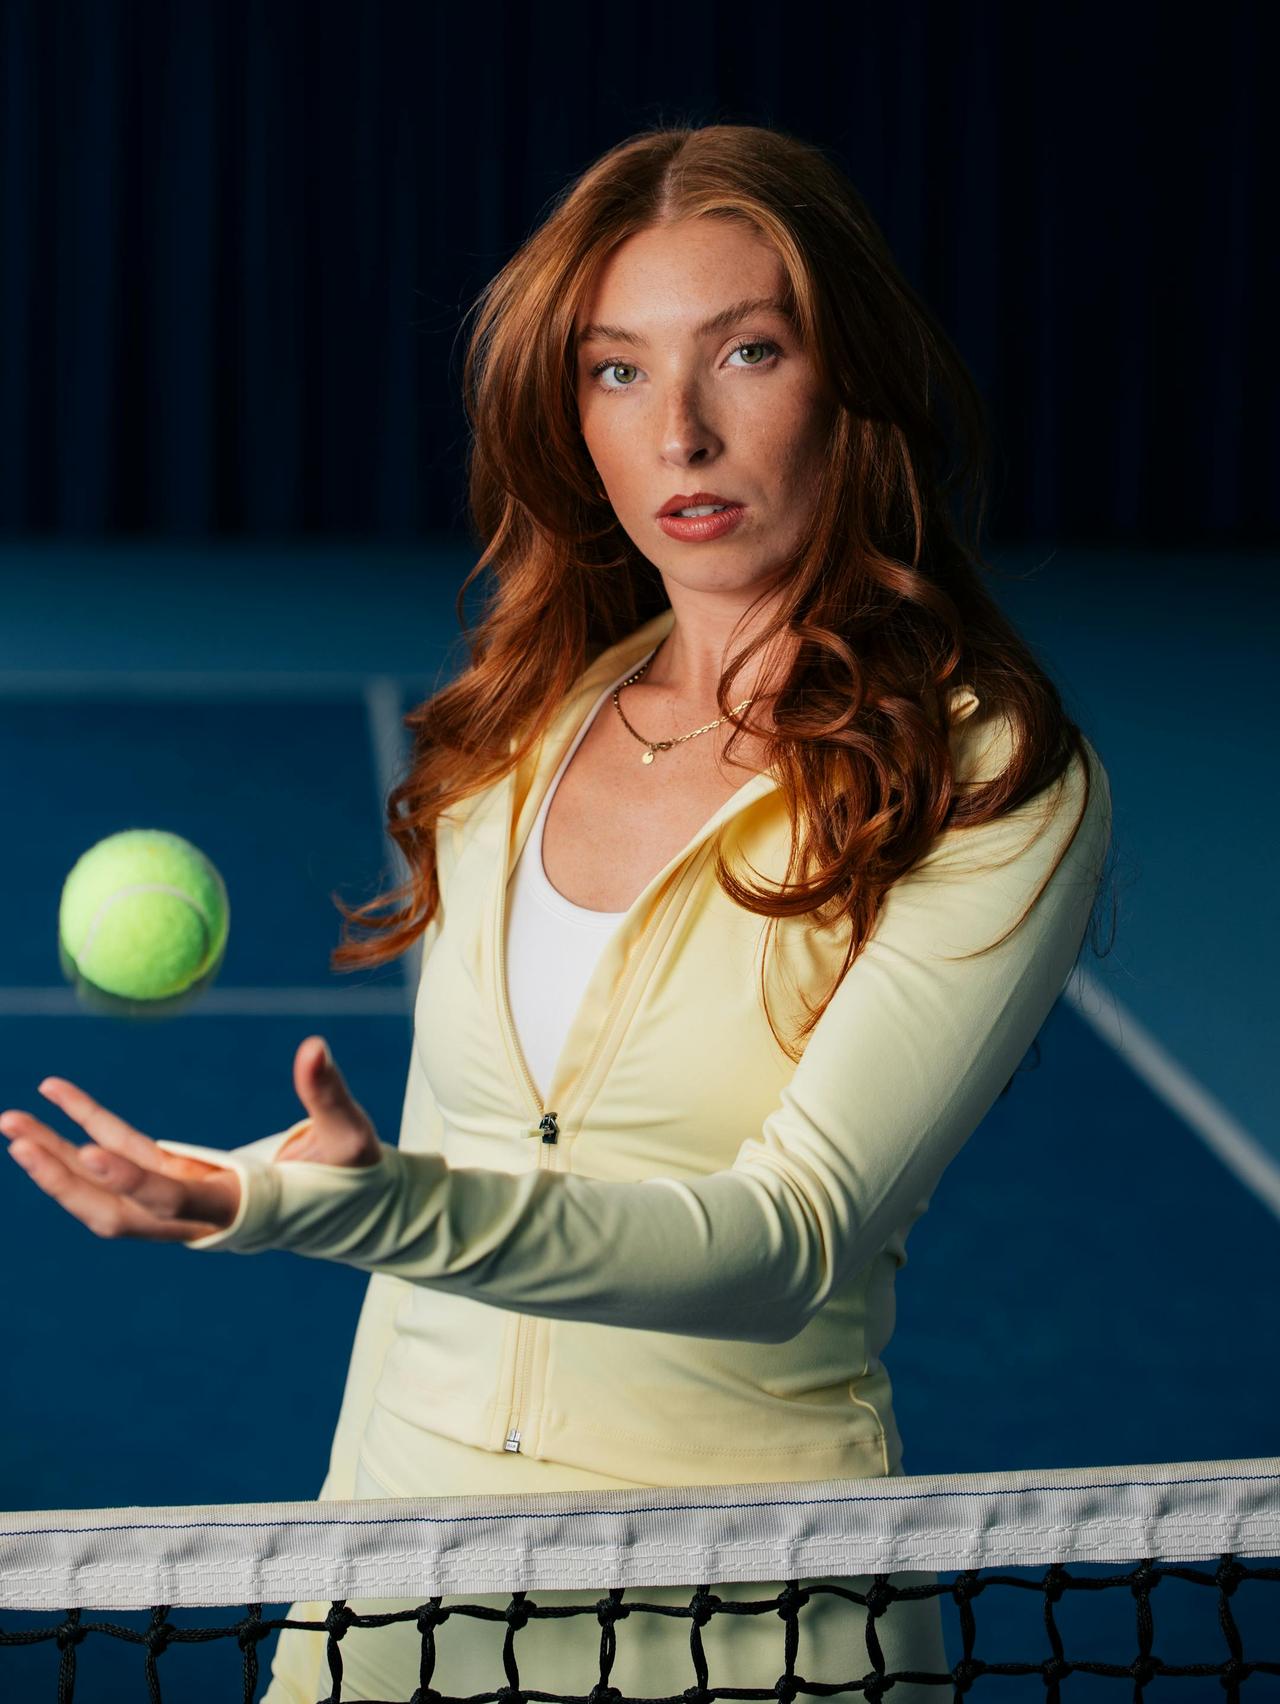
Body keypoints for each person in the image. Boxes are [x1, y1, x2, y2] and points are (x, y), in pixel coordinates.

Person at [1, 122, 1113, 1701]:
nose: (682, 433)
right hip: (400, 1572)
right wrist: (239, 1190)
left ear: (848, 377)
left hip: (745, 1611)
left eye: (746, 351)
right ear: (569, 414)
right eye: (615, 371)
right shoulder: (515, 729)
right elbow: (465, 1154)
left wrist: (368, 1208)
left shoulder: (986, 773)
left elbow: (784, 1240)